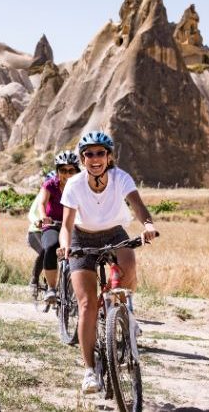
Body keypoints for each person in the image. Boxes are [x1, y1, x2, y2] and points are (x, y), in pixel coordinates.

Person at [57, 131, 158, 394]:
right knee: (87, 305)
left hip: (115, 233)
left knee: (129, 266)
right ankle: (90, 371)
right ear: (82, 159)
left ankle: (126, 314)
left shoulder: (120, 178)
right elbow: (66, 225)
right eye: (89, 154)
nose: (95, 158)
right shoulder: (75, 185)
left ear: (109, 156)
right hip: (81, 238)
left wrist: (147, 225)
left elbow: (137, 205)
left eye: (100, 153)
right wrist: (65, 245)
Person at [34, 151, 80, 303]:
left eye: (71, 170)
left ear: (76, 170)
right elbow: (42, 202)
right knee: (51, 247)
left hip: (73, 225)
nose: (67, 174)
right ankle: (51, 289)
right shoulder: (50, 185)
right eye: (63, 170)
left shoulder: (81, 185)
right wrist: (43, 217)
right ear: (57, 170)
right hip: (52, 224)